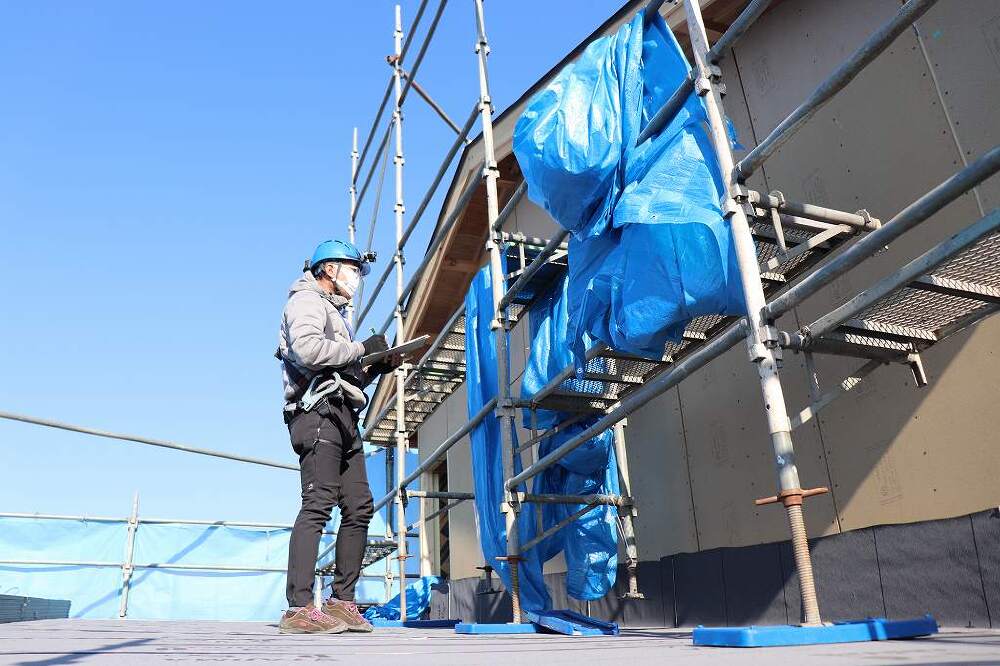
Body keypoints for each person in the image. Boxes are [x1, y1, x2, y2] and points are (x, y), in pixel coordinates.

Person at [276, 239, 399, 635]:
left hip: (343, 414)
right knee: (318, 503)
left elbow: (342, 370)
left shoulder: (335, 313)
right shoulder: (306, 300)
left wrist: (374, 365)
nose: (356, 279)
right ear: (327, 268)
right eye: (352, 269)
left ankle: (342, 601)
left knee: (359, 506)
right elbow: (309, 351)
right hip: (316, 414)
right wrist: (361, 348)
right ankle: (298, 607)